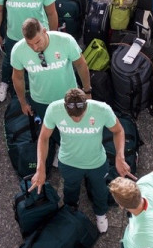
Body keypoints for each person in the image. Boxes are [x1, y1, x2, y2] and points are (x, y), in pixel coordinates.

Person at [31, 88, 127, 234]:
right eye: (72, 117)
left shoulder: (102, 110)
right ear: (64, 106)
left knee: (100, 190)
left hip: (97, 162)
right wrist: (40, 167)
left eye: (80, 116)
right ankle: (71, 210)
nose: (77, 120)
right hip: (69, 162)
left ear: (87, 105)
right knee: (70, 188)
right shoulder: (53, 109)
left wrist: (120, 155)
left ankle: (100, 213)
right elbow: (43, 137)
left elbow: (118, 131)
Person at [0, 0, 58, 102]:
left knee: (42, 60)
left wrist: (54, 35)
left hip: (38, 35)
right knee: (10, 60)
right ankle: (4, 82)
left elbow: (52, 13)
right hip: (14, 35)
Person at [10, 18, 92, 122]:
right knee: (50, 128)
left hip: (70, 98)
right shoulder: (18, 51)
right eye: (29, 44)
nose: (35, 48)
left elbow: (81, 65)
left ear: (44, 31)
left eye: (37, 42)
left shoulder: (65, 41)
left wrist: (87, 91)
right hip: (41, 101)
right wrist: (23, 103)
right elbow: (17, 78)